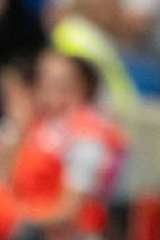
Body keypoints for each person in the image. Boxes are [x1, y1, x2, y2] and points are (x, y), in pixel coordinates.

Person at [0, 51, 127, 240]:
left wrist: (17, 219)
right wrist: (19, 128)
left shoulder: (87, 137)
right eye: (43, 81)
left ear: (83, 88)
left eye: (60, 84)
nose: (48, 91)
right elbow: (5, 179)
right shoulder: (36, 124)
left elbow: (70, 211)